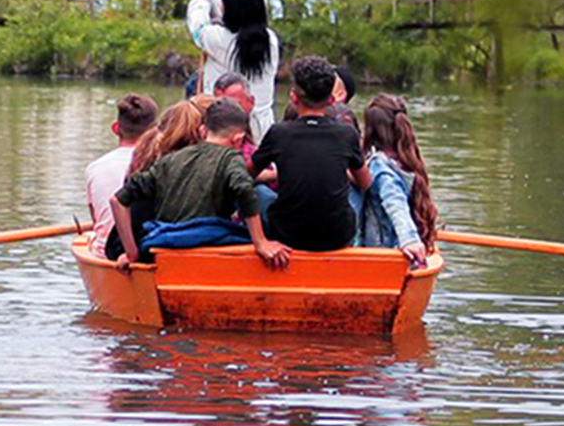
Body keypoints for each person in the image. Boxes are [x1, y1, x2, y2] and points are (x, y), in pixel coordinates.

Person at [112, 96, 288, 266]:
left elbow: (117, 200)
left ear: (203, 131)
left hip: (165, 245)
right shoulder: (231, 158)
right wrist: (260, 241)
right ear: (238, 139)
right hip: (206, 247)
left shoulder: (169, 161)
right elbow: (244, 189)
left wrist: (131, 253)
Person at [250, 55, 369, 252]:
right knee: (354, 191)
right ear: (331, 100)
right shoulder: (346, 134)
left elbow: (247, 174)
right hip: (336, 237)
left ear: (293, 97)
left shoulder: (279, 133)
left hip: (287, 235)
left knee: (258, 191)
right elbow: (366, 183)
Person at [185, 0, 279, 125]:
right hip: (262, 127)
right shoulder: (270, 41)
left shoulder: (218, 39)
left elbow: (197, 22)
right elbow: (230, 6)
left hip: (224, 127)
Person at [355, 93, 437, 269]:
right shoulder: (407, 160)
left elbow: (395, 202)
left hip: (382, 256)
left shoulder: (379, 166)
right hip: (396, 252)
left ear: (370, 130)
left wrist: (410, 240)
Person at [85, 93, 160, 250]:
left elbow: (96, 221)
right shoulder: (163, 164)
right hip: (147, 251)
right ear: (155, 131)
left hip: (105, 251)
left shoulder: (94, 168)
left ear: (116, 128)